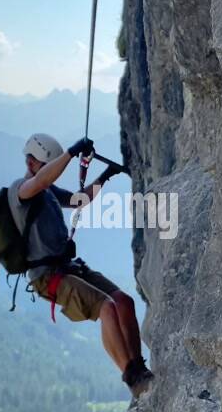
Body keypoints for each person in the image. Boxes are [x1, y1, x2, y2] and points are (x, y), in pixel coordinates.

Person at [9, 133, 154, 397]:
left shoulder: (48, 191)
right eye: (45, 165)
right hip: (47, 276)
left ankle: (140, 367)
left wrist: (104, 176)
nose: (51, 172)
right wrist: (72, 153)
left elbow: (80, 200)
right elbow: (42, 180)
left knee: (124, 302)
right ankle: (133, 379)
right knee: (107, 308)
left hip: (68, 267)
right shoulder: (20, 190)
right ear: (31, 163)